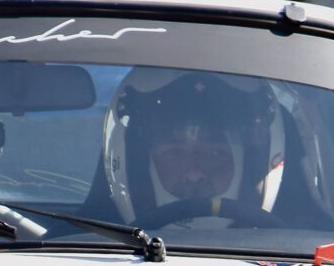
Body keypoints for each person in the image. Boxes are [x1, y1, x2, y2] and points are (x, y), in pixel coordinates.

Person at [101, 71, 285, 226]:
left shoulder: (303, 250)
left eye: (215, 154)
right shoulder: (78, 254)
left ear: (251, 167)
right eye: (175, 153)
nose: (194, 174)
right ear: (136, 165)